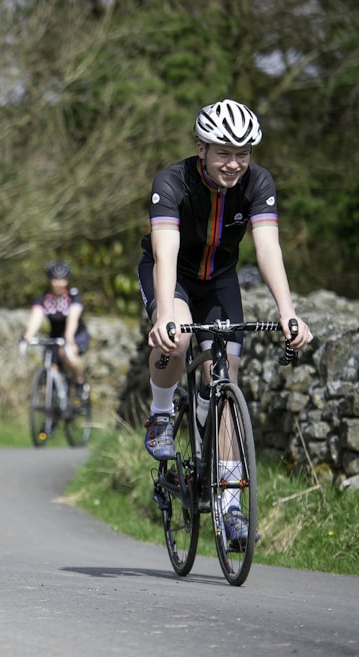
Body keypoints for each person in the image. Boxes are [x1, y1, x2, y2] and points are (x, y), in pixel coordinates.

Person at [138, 99, 313, 542]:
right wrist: (162, 314)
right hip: (170, 275)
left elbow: (268, 249)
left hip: (219, 280)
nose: (234, 163)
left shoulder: (258, 182)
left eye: (243, 154)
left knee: (226, 376)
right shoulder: (172, 182)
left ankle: (230, 506)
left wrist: (287, 312)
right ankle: (160, 415)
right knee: (175, 340)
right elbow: (165, 252)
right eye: (223, 152)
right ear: (202, 149)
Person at [20, 261, 90, 399]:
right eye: (55, 279)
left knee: (65, 354)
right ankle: (54, 409)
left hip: (76, 334)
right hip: (55, 336)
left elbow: (73, 317)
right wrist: (28, 335)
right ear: (49, 280)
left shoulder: (73, 296)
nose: (59, 283)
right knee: (49, 372)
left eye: (62, 279)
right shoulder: (43, 298)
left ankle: (79, 384)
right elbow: (36, 317)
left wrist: (69, 338)